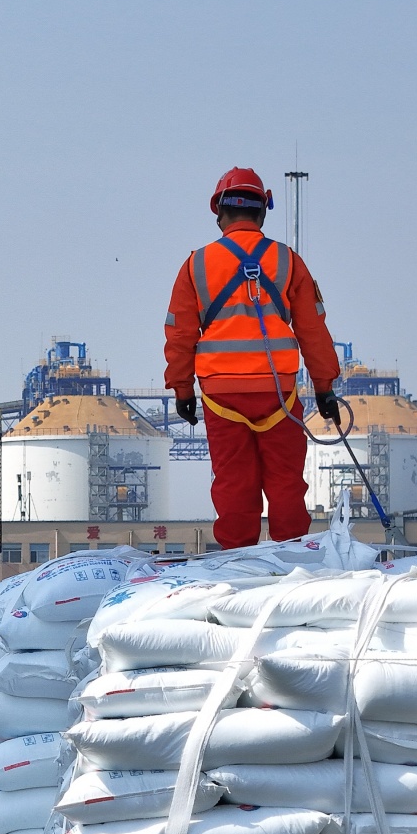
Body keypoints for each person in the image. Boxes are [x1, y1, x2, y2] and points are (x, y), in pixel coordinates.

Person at [163, 166, 342, 549]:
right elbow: (313, 330)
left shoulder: (195, 266)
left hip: (220, 394)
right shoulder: (288, 261)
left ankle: (238, 562)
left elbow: (180, 335)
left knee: (233, 481)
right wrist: (325, 388)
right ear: (262, 212)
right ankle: (292, 556)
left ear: (218, 214)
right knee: (285, 480)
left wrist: (182, 390)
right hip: (278, 393)